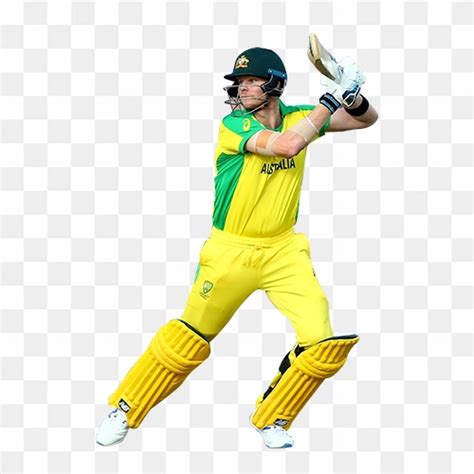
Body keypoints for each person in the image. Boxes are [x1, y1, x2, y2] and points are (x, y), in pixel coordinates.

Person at [96, 46, 378, 449]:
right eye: (239, 82)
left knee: (322, 343)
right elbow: (287, 146)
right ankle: (124, 409)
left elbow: (366, 119)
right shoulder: (234, 126)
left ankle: (274, 418)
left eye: (251, 81)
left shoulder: (299, 116)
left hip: (284, 252)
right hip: (230, 252)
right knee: (186, 342)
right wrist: (333, 97)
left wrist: (352, 95)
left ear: (275, 84)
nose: (242, 88)